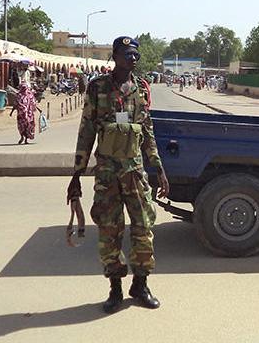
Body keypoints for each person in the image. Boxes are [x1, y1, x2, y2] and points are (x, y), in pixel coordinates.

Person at [68, 36, 169, 314]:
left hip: (135, 172)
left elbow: (146, 131)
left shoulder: (141, 89)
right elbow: (86, 131)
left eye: (135, 54)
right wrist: (76, 174)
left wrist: (158, 167)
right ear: (115, 56)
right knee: (110, 231)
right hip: (107, 173)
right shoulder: (97, 87)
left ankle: (141, 284)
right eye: (127, 54)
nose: (132, 59)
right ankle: (115, 289)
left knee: (143, 227)